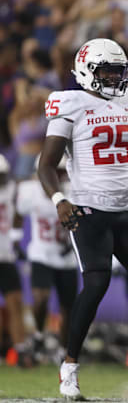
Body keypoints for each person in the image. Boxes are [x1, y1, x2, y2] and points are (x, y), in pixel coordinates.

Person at [37, 38, 128, 400]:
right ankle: (69, 365)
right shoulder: (70, 103)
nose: (114, 77)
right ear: (87, 71)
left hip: (125, 209)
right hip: (88, 210)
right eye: (106, 71)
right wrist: (59, 200)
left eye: (119, 71)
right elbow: (46, 163)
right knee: (97, 283)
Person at [17, 156, 77, 361]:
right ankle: (38, 336)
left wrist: (72, 245)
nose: (57, 177)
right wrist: (16, 238)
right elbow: (18, 213)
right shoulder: (29, 192)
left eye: (60, 172)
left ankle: (63, 350)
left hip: (66, 257)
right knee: (40, 297)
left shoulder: (73, 191)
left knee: (67, 307)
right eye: (54, 172)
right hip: (41, 253)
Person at [0, 154, 33, 367]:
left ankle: (20, 349)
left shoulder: (12, 190)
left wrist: (16, 239)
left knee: (15, 303)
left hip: (5, 256)